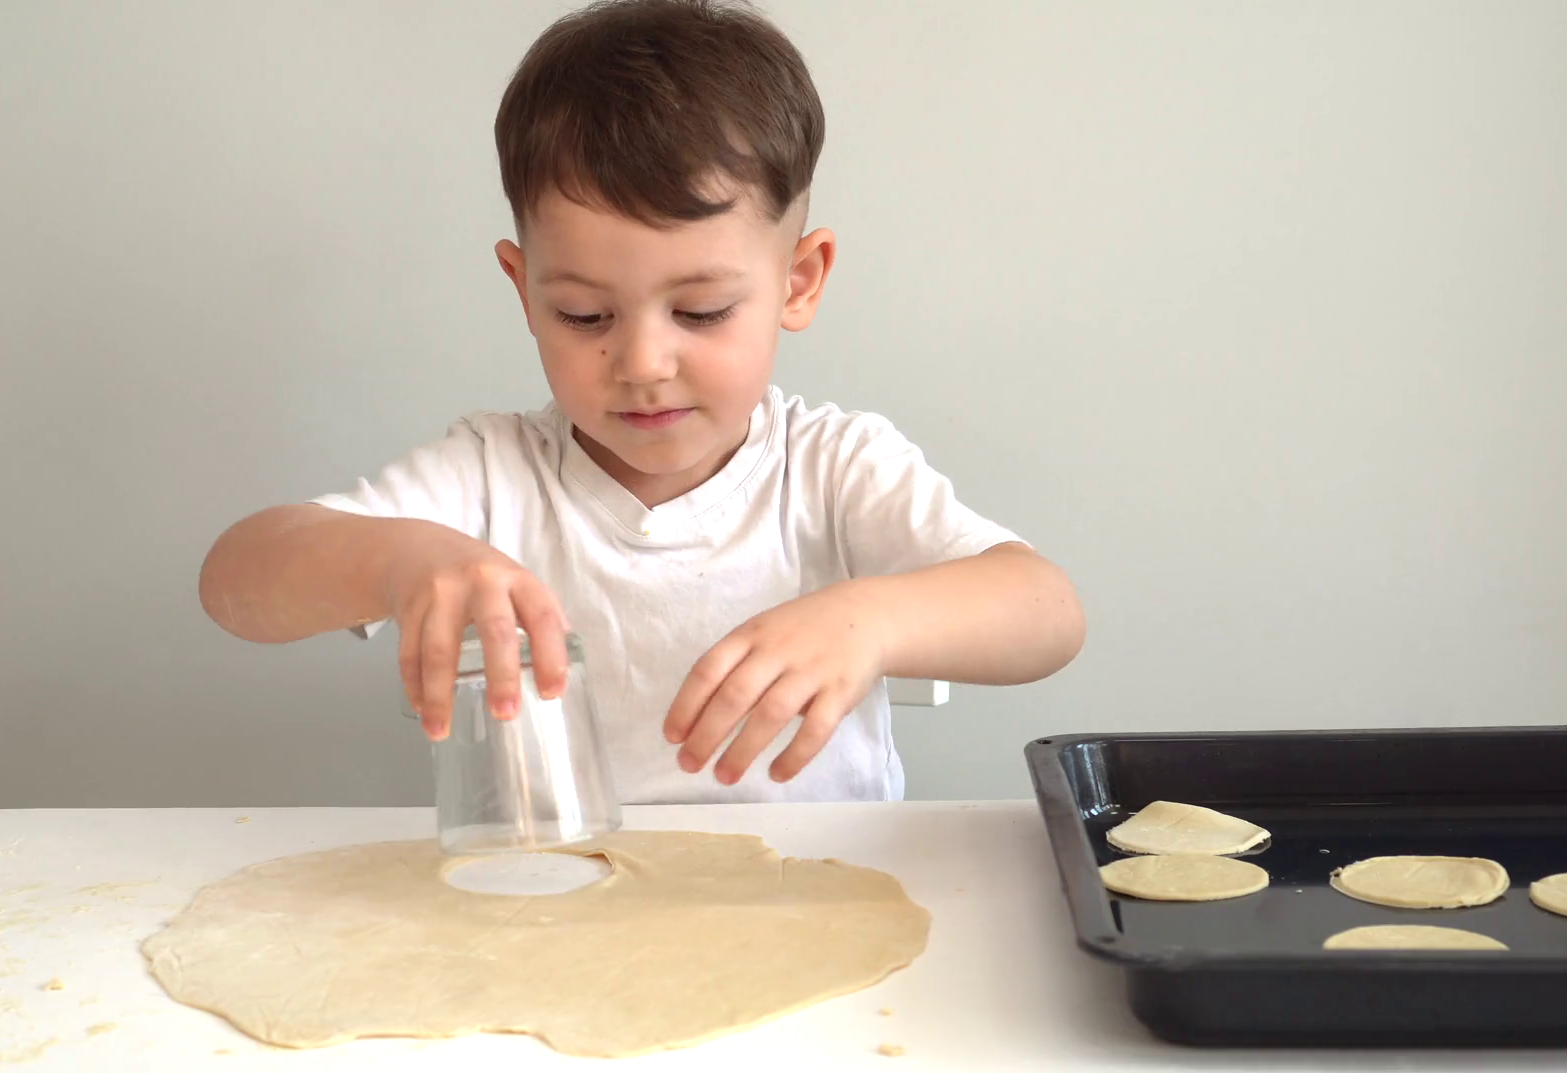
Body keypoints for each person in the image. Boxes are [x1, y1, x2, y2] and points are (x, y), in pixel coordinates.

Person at [198, 0, 1084, 804]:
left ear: (798, 282)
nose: (642, 362)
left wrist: (874, 621)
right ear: (523, 289)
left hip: (811, 904)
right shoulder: (491, 476)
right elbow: (234, 581)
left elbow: (1047, 613)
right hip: (564, 911)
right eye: (584, 314)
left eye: (700, 311)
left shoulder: (833, 468)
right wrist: (396, 562)